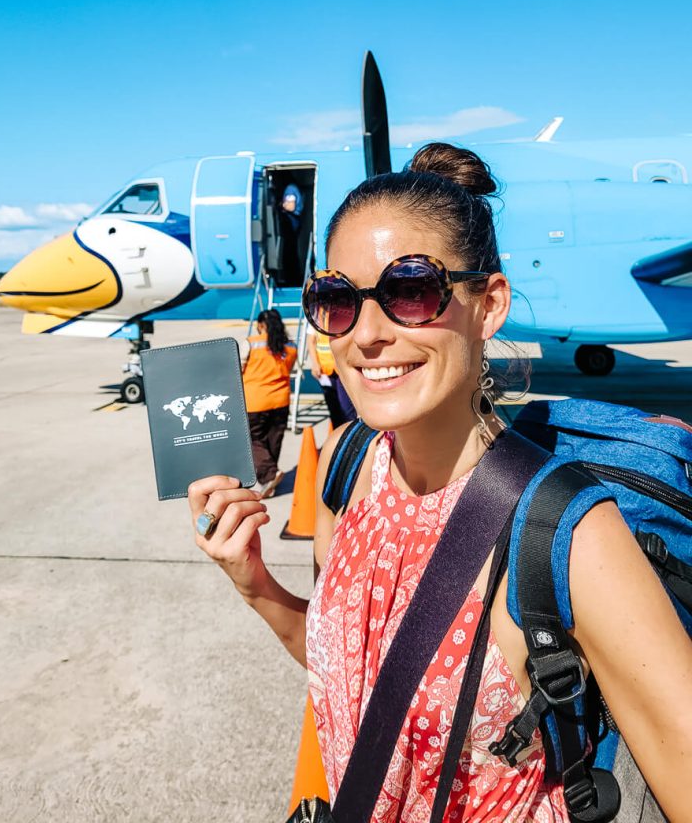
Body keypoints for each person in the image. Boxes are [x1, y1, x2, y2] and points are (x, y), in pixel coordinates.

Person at [190, 143, 692, 822]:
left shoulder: (567, 532)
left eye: (411, 291)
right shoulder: (347, 461)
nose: (366, 333)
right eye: (336, 298)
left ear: (488, 305)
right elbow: (353, 678)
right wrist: (256, 586)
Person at [240, 308, 297, 499]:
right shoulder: (290, 346)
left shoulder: (250, 343)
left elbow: (239, 368)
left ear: (261, 325)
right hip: (280, 400)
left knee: (253, 440)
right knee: (274, 440)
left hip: (255, 401)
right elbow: (288, 368)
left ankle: (270, 475)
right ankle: (269, 482)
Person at [306, 325, 356, 429]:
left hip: (341, 369)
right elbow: (311, 341)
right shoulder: (316, 314)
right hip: (325, 370)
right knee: (334, 410)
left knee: (347, 409)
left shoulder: (339, 311)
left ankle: (351, 438)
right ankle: (338, 440)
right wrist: (315, 364)